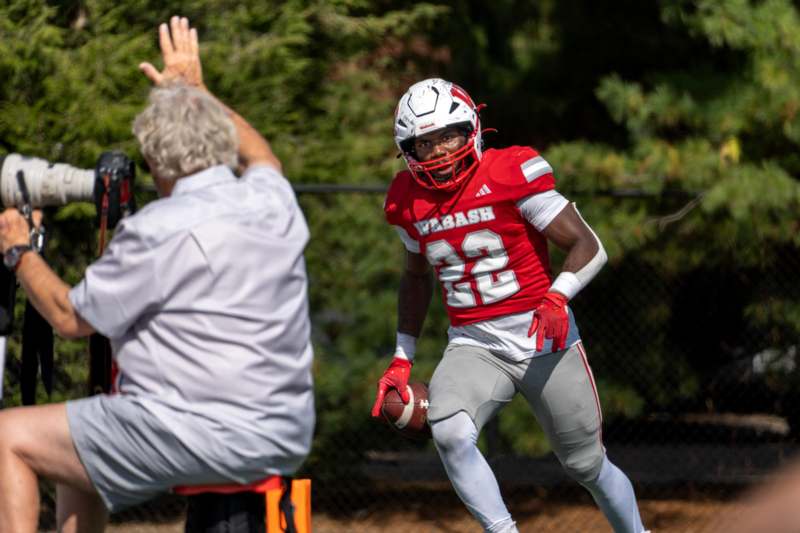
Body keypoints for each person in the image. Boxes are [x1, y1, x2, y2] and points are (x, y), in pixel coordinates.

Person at [0, 16, 314, 532]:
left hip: (197, 432)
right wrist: (197, 91)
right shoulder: (271, 198)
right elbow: (261, 153)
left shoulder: (156, 230)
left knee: (10, 437)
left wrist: (18, 249)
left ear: (152, 157)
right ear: (218, 140)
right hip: (281, 433)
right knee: (74, 440)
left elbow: (69, 317)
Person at [371, 78, 648, 533]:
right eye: (425, 142)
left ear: (472, 129)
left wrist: (558, 295)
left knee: (586, 467)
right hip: (473, 343)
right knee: (450, 432)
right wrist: (403, 358)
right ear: (409, 150)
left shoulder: (509, 171)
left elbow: (588, 244)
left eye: (448, 135)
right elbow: (416, 277)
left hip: (543, 333)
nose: (439, 151)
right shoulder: (408, 200)